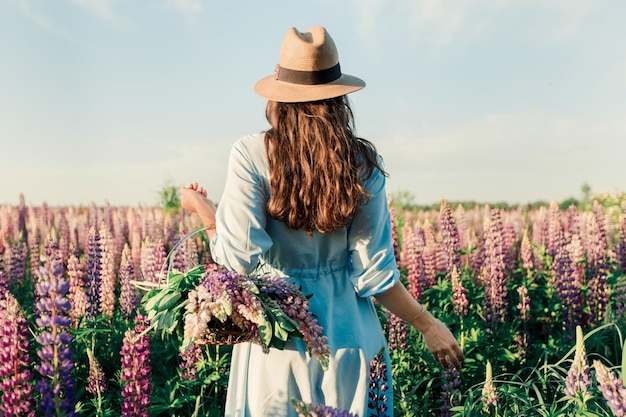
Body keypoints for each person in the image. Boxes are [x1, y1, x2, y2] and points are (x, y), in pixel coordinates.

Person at [180, 25, 463, 417]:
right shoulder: (363, 164)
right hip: (351, 340)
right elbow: (376, 276)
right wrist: (426, 323)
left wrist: (206, 214)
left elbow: (235, 262)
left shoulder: (250, 153)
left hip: (278, 337)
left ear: (278, 97)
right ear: (339, 98)